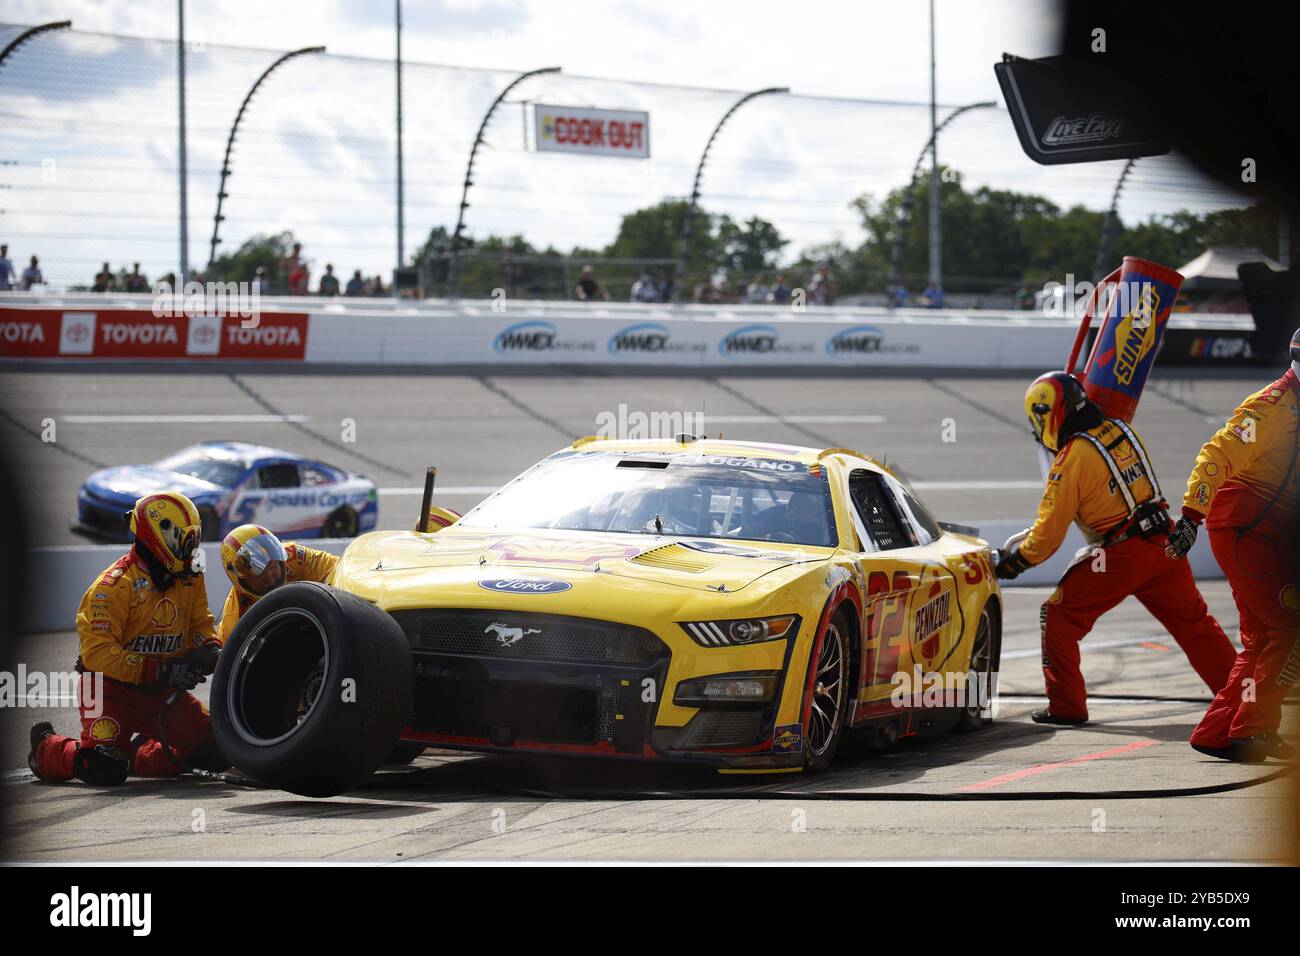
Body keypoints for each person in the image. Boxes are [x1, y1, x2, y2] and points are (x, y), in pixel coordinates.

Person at [996, 371, 1236, 724]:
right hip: (1166, 542)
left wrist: (1014, 562)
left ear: (1049, 415)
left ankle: (1066, 707)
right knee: (1196, 626)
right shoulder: (1121, 430)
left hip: (1122, 554)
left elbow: (1047, 536)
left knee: (1058, 616)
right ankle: (1245, 701)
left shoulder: (1071, 459)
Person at [1167, 328, 1300, 762]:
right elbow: (1217, 454)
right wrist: (1190, 514)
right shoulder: (1271, 407)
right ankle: (1253, 729)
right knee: (1289, 627)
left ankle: (1216, 731)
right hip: (1247, 529)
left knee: (1263, 635)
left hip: (1265, 530)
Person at [28, 492, 226, 784]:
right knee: (103, 767)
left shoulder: (190, 576)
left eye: (192, 539)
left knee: (215, 752)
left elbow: (199, 624)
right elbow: (97, 653)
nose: (188, 549)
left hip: (161, 691)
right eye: (181, 539)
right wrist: (158, 668)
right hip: (108, 688)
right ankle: (46, 748)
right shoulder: (112, 587)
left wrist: (210, 648)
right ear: (153, 536)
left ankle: (139, 755)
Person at [216, 525, 339, 642]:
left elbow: (340, 568)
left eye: (273, 567)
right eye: (259, 576)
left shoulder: (294, 556)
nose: (270, 579)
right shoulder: (234, 619)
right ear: (241, 581)